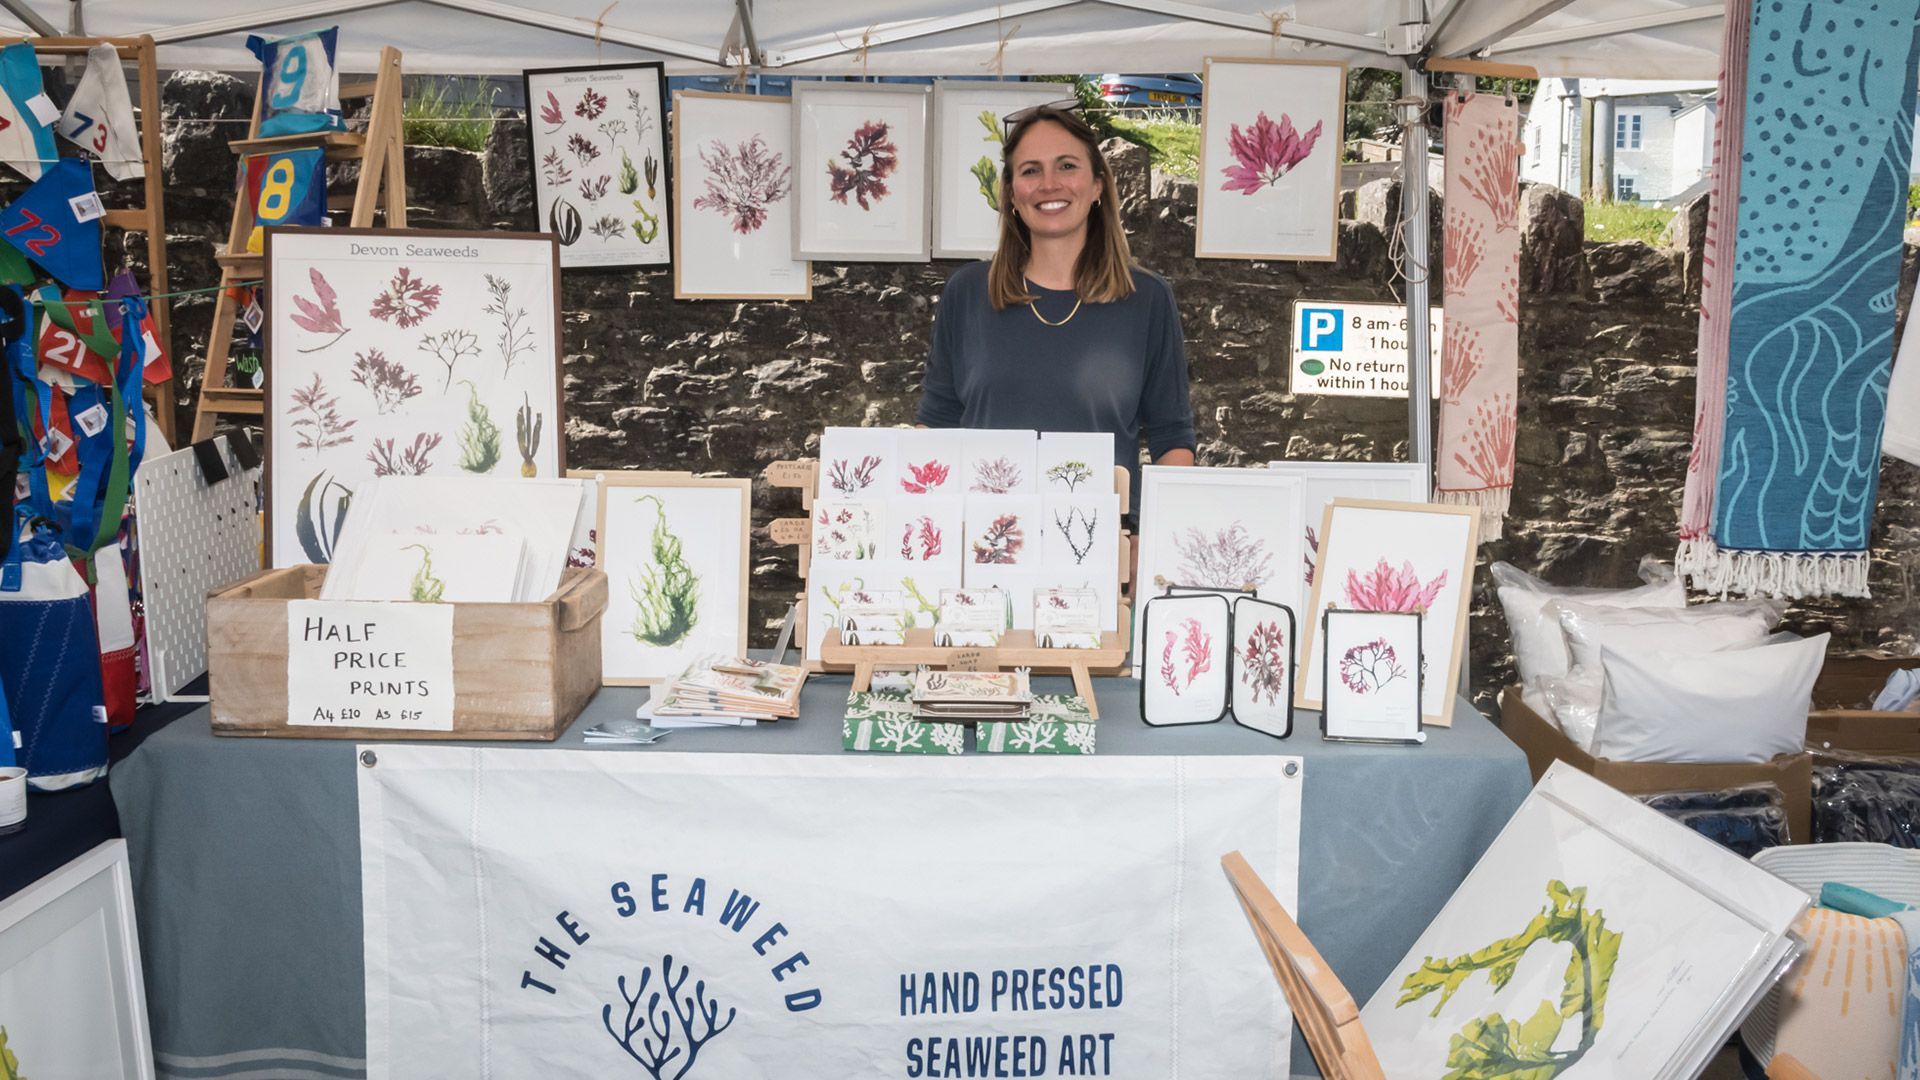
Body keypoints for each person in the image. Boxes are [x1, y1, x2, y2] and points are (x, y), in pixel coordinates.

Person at [916, 99, 1196, 512]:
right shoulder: (967, 293)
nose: (1050, 184)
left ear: (1098, 185)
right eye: (1031, 170)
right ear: (1012, 193)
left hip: (1102, 549)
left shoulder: (1147, 299)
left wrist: (1152, 543)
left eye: (1067, 166)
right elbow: (936, 426)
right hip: (983, 548)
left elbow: (1171, 438)